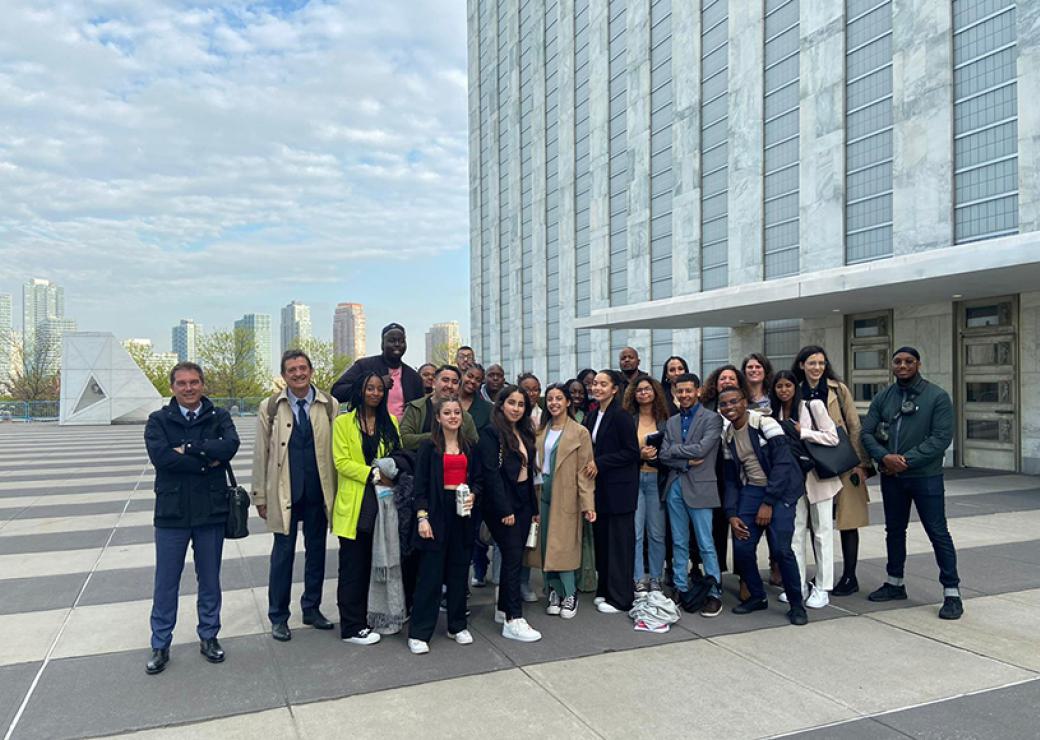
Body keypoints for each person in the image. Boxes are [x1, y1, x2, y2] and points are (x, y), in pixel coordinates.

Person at [144, 362, 240, 675]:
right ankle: (160, 643)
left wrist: (187, 448)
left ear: (202, 384)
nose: (189, 388)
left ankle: (209, 636)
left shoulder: (219, 416)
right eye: (182, 383)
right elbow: (161, 458)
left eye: (194, 382)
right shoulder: (158, 420)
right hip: (172, 513)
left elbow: (229, 446)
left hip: (210, 512)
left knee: (210, 579)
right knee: (166, 582)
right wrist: (204, 461)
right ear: (172, 387)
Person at [861, 347, 962, 620]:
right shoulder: (883, 397)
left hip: (925, 477)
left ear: (918, 364)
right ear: (892, 366)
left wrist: (904, 460)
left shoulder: (937, 397)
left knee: (937, 532)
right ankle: (895, 583)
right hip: (892, 479)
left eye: (909, 361)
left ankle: (951, 592)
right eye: (898, 361)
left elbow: (940, 438)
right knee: (894, 531)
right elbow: (866, 433)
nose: (903, 365)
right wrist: (884, 457)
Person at [253, 350, 339, 642]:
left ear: (311, 371)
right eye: (292, 370)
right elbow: (260, 454)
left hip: (318, 491)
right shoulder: (270, 407)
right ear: (284, 375)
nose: (298, 374)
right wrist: (259, 496)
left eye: (303, 368)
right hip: (283, 491)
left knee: (317, 553)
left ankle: (311, 608)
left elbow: (336, 451)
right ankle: (278, 616)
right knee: (282, 555)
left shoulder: (330, 405)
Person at [718, 386, 807, 626]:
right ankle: (757, 596)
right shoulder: (727, 435)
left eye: (734, 402)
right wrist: (732, 513)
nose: (729, 408)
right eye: (724, 404)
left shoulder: (765, 424)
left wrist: (768, 502)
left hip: (781, 489)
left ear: (744, 402)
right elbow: (730, 479)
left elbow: (783, 463)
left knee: (781, 549)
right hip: (752, 490)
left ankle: (797, 605)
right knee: (742, 547)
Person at [792, 345, 872, 597]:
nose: (817, 368)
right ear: (802, 365)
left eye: (821, 363)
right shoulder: (794, 389)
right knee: (816, 524)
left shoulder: (839, 389)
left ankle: (849, 575)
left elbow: (854, 425)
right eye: (812, 363)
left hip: (842, 461)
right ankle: (821, 574)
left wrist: (861, 462)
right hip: (810, 464)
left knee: (848, 521)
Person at [332, 371, 403, 646]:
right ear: (360, 391)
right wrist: (374, 474)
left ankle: (377, 616)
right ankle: (351, 626)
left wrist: (390, 472)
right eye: (369, 388)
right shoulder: (343, 423)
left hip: (385, 504)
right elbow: (341, 461)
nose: (375, 393)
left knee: (379, 564)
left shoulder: (391, 422)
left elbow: (397, 455)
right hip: (356, 504)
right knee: (353, 566)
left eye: (379, 389)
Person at [408, 397, 482, 653]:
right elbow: (419, 486)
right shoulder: (429, 447)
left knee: (459, 572)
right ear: (437, 418)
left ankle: (457, 625)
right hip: (436, 512)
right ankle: (419, 632)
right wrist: (422, 517)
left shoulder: (470, 446)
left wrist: (474, 493)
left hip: (462, 512)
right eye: (447, 413)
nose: (453, 416)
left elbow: (479, 479)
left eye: (457, 412)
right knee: (430, 574)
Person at [770, 369, 841, 609]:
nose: (783, 390)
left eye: (788, 386)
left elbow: (833, 437)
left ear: (795, 387)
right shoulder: (775, 412)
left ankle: (823, 587)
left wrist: (804, 432)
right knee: (795, 533)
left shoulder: (813, 406)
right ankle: (797, 584)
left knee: (822, 534)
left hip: (818, 478)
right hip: (792, 481)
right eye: (779, 386)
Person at [478, 385, 542, 641]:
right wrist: (504, 509)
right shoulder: (491, 434)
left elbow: (529, 475)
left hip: (523, 502)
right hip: (502, 505)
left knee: (514, 558)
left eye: (521, 404)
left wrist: (534, 510)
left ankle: (504, 609)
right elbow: (491, 474)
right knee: (512, 558)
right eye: (511, 403)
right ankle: (513, 619)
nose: (516, 408)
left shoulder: (524, 433)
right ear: (501, 404)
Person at [659, 373, 725, 616]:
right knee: (678, 541)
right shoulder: (672, 421)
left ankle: (714, 592)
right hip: (676, 484)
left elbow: (703, 449)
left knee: (706, 543)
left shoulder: (712, 419)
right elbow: (663, 455)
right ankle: (680, 586)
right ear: (675, 392)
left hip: (701, 487)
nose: (684, 395)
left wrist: (675, 452)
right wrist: (684, 460)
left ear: (698, 391)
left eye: (689, 390)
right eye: (680, 391)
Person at [537, 384, 597, 619]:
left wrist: (588, 504)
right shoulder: (541, 430)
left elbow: (585, 471)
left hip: (567, 494)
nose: (553, 403)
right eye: (550, 399)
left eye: (559, 398)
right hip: (542, 493)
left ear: (568, 402)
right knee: (546, 546)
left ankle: (569, 593)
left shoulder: (579, 432)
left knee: (565, 546)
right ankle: (554, 590)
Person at [583, 369, 640, 614]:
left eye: (603, 384)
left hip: (620, 490)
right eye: (595, 383)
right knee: (604, 542)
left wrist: (601, 463)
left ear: (615, 389)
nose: (597, 388)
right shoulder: (593, 414)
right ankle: (605, 590)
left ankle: (621, 598)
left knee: (619, 545)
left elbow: (631, 452)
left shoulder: (622, 416)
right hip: (601, 490)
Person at [622, 374, 670, 595]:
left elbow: (671, 452)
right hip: (634, 479)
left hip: (657, 479)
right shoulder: (628, 418)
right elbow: (622, 452)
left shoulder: (665, 419)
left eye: (647, 389)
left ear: (655, 393)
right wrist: (640, 455)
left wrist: (656, 456)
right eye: (639, 390)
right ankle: (638, 578)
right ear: (633, 394)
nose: (643, 393)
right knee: (636, 532)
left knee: (657, 534)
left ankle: (656, 578)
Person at [331, 323, 423, 421]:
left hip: (402, 433)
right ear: (382, 344)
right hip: (368, 429)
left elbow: (420, 411)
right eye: (392, 341)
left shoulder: (414, 377)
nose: (397, 344)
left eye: (401, 341)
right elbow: (337, 391)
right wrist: (372, 384)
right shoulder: (364, 366)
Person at [400, 365, 478, 450]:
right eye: (445, 380)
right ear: (434, 383)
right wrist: (439, 436)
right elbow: (403, 439)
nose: (449, 386)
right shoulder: (416, 408)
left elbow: (474, 443)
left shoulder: (465, 417)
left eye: (455, 382)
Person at [460, 364, 493, 430]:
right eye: (470, 376)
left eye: (478, 380)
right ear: (462, 375)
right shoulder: (447, 399)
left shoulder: (487, 408)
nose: (473, 381)